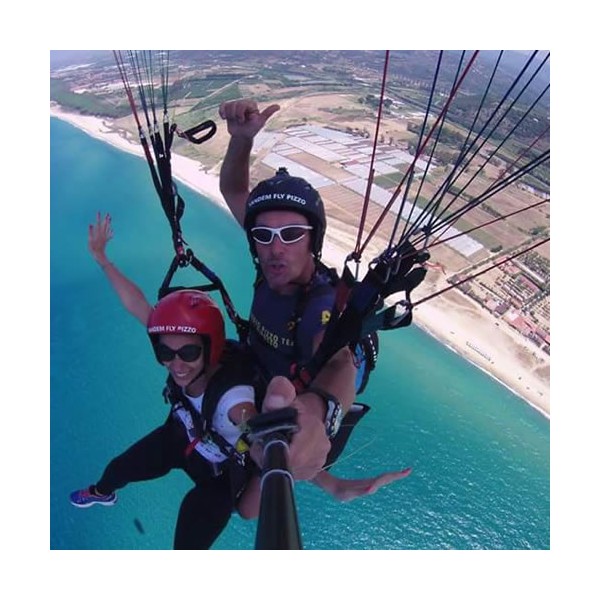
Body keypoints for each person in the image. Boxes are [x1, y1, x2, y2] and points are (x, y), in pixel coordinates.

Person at [69, 287, 262, 549]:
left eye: (189, 353)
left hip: (221, 475)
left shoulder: (234, 400)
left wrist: (271, 455)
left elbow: (253, 426)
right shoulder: (182, 351)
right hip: (185, 440)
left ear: (210, 348)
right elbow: (136, 303)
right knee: (118, 469)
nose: (176, 365)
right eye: (165, 353)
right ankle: (101, 493)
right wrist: (104, 264)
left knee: (188, 544)